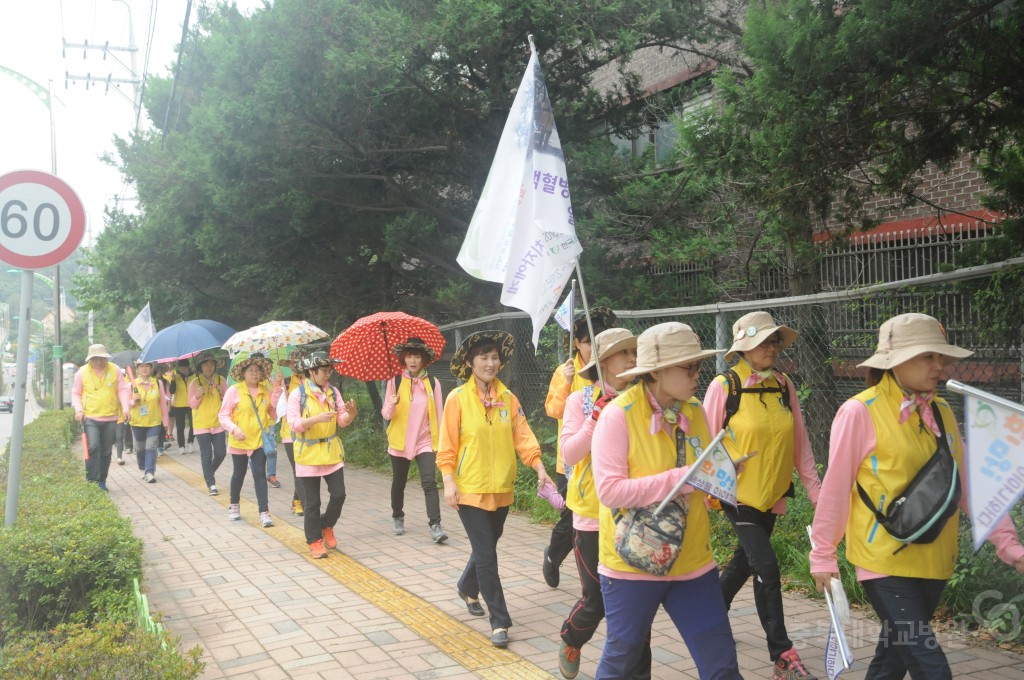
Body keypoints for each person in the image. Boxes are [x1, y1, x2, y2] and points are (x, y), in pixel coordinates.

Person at [810, 313, 1024, 680]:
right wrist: (823, 555)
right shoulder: (859, 411)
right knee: (931, 666)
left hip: (935, 560)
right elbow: (836, 486)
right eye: (928, 356)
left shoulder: (941, 411)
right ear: (894, 361)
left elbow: (969, 485)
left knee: (892, 661)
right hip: (883, 562)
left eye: (941, 357)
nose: (939, 366)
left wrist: (1010, 547)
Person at [591, 322, 742, 679]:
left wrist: (723, 477)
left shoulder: (695, 411)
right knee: (622, 659)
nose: (696, 376)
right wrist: (683, 479)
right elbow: (610, 491)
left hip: (693, 561)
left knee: (721, 663)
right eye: (687, 367)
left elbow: (703, 474)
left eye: (698, 366)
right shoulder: (617, 415)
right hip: (632, 563)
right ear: (656, 371)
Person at [703, 311, 821, 680]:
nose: (771, 347)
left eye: (774, 341)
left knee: (744, 562)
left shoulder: (783, 385)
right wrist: (711, 487)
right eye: (762, 342)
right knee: (767, 567)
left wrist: (817, 494)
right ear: (744, 348)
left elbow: (800, 443)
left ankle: (709, 621)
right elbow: (703, 446)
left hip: (771, 493)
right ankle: (782, 654)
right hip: (736, 496)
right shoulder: (725, 387)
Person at [438, 330, 555, 649]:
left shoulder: (509, 400)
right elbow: (447, 446)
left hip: (502, 488)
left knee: (485, 548)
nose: (490, 363)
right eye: (483, 357)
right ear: (470, 362)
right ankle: (500, 622)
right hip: (469, 490)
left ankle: (465, 585)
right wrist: (449, 481)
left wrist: (540, 467)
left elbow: (524, 437)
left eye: (494, 357)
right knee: (488, 556)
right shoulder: (457, 399)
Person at [556, 328, 652, 680]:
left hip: (635, 517)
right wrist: (596, 418)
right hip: (593, 518)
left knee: (637, 611)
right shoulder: (579, 401)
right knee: (595, 601)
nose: (631, 358)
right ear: (602, 362)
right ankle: (571, 638)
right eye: (622, 352)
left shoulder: (646, 400)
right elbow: (569, 453)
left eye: (634, 351)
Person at [542, 306, 617, 588]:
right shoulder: (565, 372)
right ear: (576, 342)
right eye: (587, 341)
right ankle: (553, 555)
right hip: (573, 461)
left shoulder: (613, 368)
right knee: (571, 517)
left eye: (598, 339)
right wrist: (568, 383)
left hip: (608, 459)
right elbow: (552, 409)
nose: (593, 347)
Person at [287, 352, 358, 558]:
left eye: (329, 371)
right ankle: (315, 541)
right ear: (312, 372)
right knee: (312, 502)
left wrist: (351, 413)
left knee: (339, 494)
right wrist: (315, 419)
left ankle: (326, 525)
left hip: (331, 451)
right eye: (324, 371)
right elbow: (294, 424)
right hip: (308, 453)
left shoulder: (333, 392)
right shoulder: (297, 395)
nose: (328, 375)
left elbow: (341, 421)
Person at [381, 337, 447, 543]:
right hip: (400, 442)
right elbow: (386, 415)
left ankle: (435, 525)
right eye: (409, 355)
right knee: (398, 483)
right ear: (404, 358)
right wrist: (392, 403)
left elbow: (439, 413)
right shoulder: (395, 381)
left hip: (425, 441)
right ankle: (397, 516)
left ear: (423, 359)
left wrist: (442, 442)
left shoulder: (433, 383)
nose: (412, 360)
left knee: (429, 482)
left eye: (416, 356)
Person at [218, 353, 284, 528]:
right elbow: (223, 416)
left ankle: (264, 512)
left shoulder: (265, 390)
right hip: (239, 440)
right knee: (238, 474)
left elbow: (273, 412)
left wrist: (277, 388)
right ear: (243, 373)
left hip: (258, 441)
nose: (255, 374)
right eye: (251, 371)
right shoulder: (234, 391)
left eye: (258, 371)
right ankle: (234, 505)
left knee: (259, 476)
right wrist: (234, 428)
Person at [72, 344, 130, 492]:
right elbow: (76, 393)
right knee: (93, 447)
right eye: (95, 359)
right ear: (90, 359)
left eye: (102, 359)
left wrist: (125, 408)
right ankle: (92, 480)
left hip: (111, 417)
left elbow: (122, 389)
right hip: (90, 417)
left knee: (106, 451)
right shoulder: (82, 372)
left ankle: (102, 480)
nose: (99, 362)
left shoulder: (115, 369)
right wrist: (79, 410)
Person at [189, 351, 228, 495]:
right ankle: (211, 484)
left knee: (221, 453)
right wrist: (197, 395)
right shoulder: (195, 383)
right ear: (200, 366)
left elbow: (229, 401)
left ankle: (208, 473)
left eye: (212, 364)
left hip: (218, 423)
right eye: (206, 364)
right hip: (201, 424)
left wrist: (221, 392)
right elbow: (192, 404)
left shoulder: (221, 380)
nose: (209, 367)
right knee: (206, 454)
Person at [128, 359, 171, 483]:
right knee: (140, 448)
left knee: (151, 446)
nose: (144, 369)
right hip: (137, 422)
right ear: (137, 369)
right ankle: (143, 467)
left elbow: (163, 403)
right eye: (141, 366)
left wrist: (165, 422)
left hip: (154, 422)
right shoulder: (132, 385)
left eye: (147, 366)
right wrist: (133, 401)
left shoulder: (158, 383)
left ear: (152, 368)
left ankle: (150, 471)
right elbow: (126, 403)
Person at [278, 349, 308, 516]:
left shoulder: (311, 380)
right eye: (293, 363)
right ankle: (304, 504)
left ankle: (296, 500)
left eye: (300, 362)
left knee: (303, 468)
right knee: (298, 469)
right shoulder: (286, 381)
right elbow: (278, 406)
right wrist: (279, 387)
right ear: (289, 365)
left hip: (308, 430)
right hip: (289, 431)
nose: (296, 366)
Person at [168, 359, 195, 454]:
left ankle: (190, 441)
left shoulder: (194, 376)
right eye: (181, 367)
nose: (183, 369)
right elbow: (172, 391)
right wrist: (173, 381)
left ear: (188, 367)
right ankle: (181, 446)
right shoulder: (176, 377)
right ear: (179, 368)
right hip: (179, 405)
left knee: (193, 424)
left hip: (192, 404)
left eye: (185, 367)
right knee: (180, 427)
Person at [115, 366, 134, 465]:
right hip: (109, 417)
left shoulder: (124, 388)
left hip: (120, 417)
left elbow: (127, 400)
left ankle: (119, 457)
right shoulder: (109, 388)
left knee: (119, 437)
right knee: (112, 438)